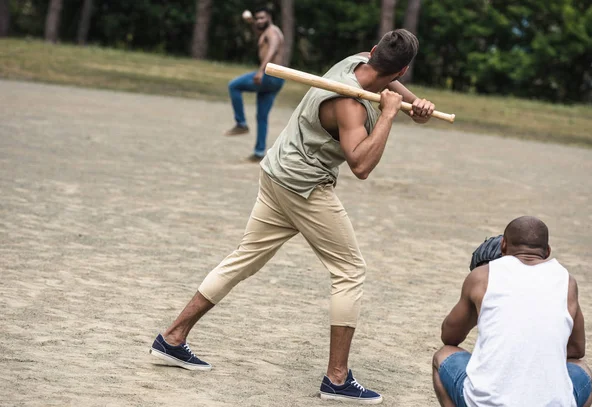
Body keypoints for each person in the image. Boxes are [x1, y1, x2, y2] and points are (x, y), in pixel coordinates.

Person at [151, 29, 436, 404]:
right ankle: (337, 379)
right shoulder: (349, 104)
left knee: (243, 259)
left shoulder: (355, 61)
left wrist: (416, 105)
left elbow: (394, 91)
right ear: (402, 70)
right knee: (350, 271)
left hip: (276, 171)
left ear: (373, 53)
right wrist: (387, 116)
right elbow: (362, 165)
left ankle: (172, 338)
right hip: (303, 187)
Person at [432, 216, 592, 407]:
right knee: (582, 370)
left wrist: (482, 310)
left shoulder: (483, 275)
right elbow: (576, 349)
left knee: (443, 355)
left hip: (486, 403)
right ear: (547, 251)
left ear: (503, 246)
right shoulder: (567, 282)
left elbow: (449, 337)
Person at [224, 6, 286, 162]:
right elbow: (259, 32)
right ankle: (259, 152)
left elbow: (272, 48)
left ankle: (241, 123)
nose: (259, 21)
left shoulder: (272, 32)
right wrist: (251, 22)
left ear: (270, 18)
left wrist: (261, 70)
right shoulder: (267, 31)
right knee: (262, 116)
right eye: (257, 18)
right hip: (278, 78)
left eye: (262, 18)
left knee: (234, 85)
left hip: (269, 75)